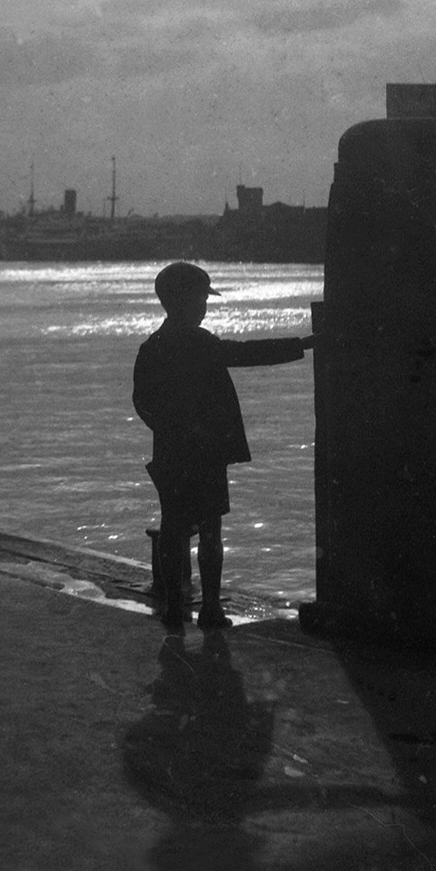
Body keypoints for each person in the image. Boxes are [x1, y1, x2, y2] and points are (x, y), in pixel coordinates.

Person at [133, 261, 314, 631]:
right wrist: (305, 344)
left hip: (169, 454)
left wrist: (170, 430)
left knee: (173, 527)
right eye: (201, 298)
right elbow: (248, 354)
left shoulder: (151, 347)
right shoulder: (202, 345)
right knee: (211, 529)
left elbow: (142, 401)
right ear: (184, 301)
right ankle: (211, 608)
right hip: (206, 454)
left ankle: (172, 608)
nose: (204, 306)